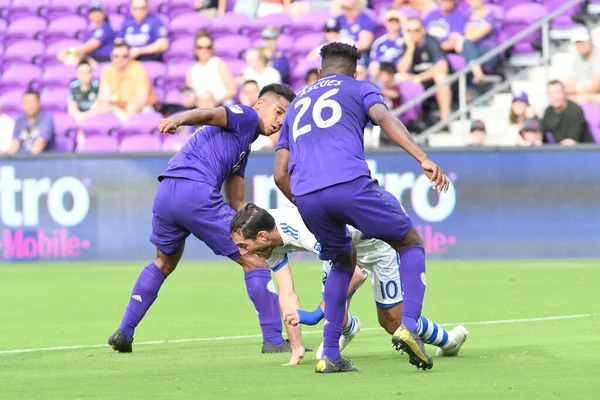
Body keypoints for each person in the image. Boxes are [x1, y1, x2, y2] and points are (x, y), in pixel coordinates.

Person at [274, 43, 449, 373]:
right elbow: (384, 118)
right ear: (354, 71)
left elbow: (279, 173)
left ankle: (329, 353)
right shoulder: (359, 88)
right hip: (349, 184)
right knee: (410, 241)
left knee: (342, 260)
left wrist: (307, 202)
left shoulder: (296, 104)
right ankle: (409, 324)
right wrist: (422, 158)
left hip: (307, 195)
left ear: (321, 69)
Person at [107, 84, 298, 355]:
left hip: (167, 192)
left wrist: (261, 226)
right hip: (195, 192)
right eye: (278, 111)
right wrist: (177, 119)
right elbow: (210, 114)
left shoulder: (242, 146)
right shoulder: (246, 116)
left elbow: (236, 203)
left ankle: (125, 331)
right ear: (260, 105)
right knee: (254, 259)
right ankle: (274, 340)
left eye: (285, 118)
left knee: (164, 262)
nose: (279, 121)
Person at [230, 204, 469, 366]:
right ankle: (349, 327)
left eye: (243, 245)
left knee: (391, 321)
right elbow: (287, 292)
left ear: (261, 236)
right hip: (341, 244)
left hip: (376, 241)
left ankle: (450, 342)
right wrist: (296, 347)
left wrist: (315, 314)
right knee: (335, 309)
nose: (242, 252)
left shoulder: (304, 232)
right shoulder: (269, 242)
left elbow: (354, 275)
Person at [397, 17, 452, 121]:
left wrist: (418, 78)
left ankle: (445, 119)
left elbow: (443, 66)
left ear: (423, 30)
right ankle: (412, 122)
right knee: (401, 78)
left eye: (416, 30)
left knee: (441, 77)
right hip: (419, 81)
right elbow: (401, 70)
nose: (412, 34)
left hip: (436, 81)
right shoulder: (407, 44)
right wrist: (410, 49)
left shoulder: (431, 41)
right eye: (409, 31)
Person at [92, 42, 157, 121]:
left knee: (131, 107)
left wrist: (117, 98)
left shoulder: (138, 69)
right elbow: (104, 96)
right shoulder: (108, 70)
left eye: (124, 56)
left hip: (139, 108)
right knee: (99, 107)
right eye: (116, 56)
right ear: (111, 57)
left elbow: (142, 99)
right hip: (117, 107)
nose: (120, 59)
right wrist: (118, 99)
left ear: (129, 56)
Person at [187, 30, 237, 105]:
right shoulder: (192, 71)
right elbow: (189, 99)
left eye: (208, 47)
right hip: (201, 108)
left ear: (212, 49)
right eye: (200, 47)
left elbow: (232, 90)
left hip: (222, 105)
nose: (204, 50)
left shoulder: (218, 64)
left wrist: (215, 102)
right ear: (195, 50)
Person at [455, 0, 498, 85]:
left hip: (488, 52)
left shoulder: (490, 15)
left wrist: (461, 39)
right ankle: (476, 76)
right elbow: (458, 33)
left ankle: (478, 75)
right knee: (466, 48)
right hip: (470, 52)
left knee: (467, 43)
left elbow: (481, 32)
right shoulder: (466, 15)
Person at [542, 80, 594, 145]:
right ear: (547, 95)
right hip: (563, 150)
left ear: (564, 93)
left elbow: (571, 142)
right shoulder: (548, 112)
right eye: (552, 93)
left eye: (558, 92)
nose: (556, 97)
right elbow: (541, 135)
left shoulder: (575, 110)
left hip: (585, 151)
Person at [6, 90, 55, 154]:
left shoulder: (46, 119)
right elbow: (14, 146)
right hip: (22, 160)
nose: (30, 106)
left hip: (42, 160)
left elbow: (39, 146)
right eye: (26, 102)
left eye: (33, 102)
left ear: (39, 103)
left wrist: (25, 162)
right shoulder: (20, 120)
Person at [565, 26, 600, 105]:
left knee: (589, 98)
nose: (580, 45)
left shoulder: (598, 55)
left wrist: (575, 90)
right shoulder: (578, 58)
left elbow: (595, 88)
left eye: (583, 41)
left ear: (591, 40)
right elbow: (570, 83)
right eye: (577, 42)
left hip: (595, 95)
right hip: (586, 94)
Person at [368, 8, 405, 79]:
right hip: (383, 78)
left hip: (400, 75)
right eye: (391, 21)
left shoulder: (407, 39)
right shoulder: (379, 43)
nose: (394, 24)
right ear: (385, 22)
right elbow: (374, 65)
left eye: (396, 21)